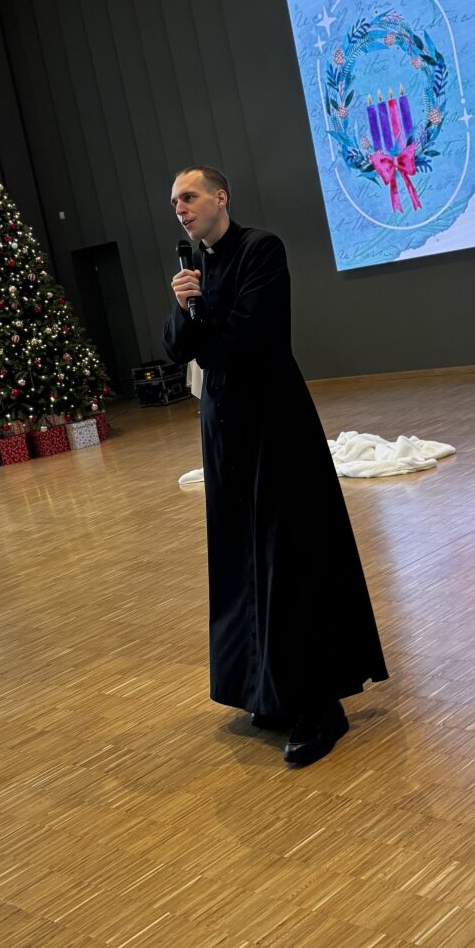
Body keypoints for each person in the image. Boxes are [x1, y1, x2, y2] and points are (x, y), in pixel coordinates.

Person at [163, 166, 387, 766]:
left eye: (189, 196)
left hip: (274, 424)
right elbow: (175, 348)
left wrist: (201, 324)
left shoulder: (262, 249)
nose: (180, 208)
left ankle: (320, 703)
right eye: (175, 202)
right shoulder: (194, 268)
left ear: (220, 197)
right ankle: (268, 688)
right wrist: (184, 309)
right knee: (241, 557)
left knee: (291, 556)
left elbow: (251, 337)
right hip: (224, 432)